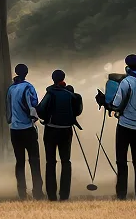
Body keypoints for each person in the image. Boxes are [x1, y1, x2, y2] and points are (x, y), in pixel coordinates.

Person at [98, 53, 136, 201]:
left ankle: (121, 194)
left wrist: (104, 101)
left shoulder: (125, 82)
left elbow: (116, 104)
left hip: (125, 126)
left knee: (121, 161)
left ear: (127, 65)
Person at [36, 70, 83, 202]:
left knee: (50, 162)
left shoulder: (50, 93)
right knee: (66, 162)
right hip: (66, 131)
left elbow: (41, 110)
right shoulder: (70, 94)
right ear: (63, 78)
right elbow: (77, 111)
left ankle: (52, 195)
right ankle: (64, 195)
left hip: (51, 130)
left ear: (53, 79)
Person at [7, 64, 43, 200]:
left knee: (19, 161)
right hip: (27, 128)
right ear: (26, 73)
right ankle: (37, 192)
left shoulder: (11, 89)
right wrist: (35, 118)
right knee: (34, 160)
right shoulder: (28, 87)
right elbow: (33, 106)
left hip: (14, 129)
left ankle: (21, 192)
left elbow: (8, 109)